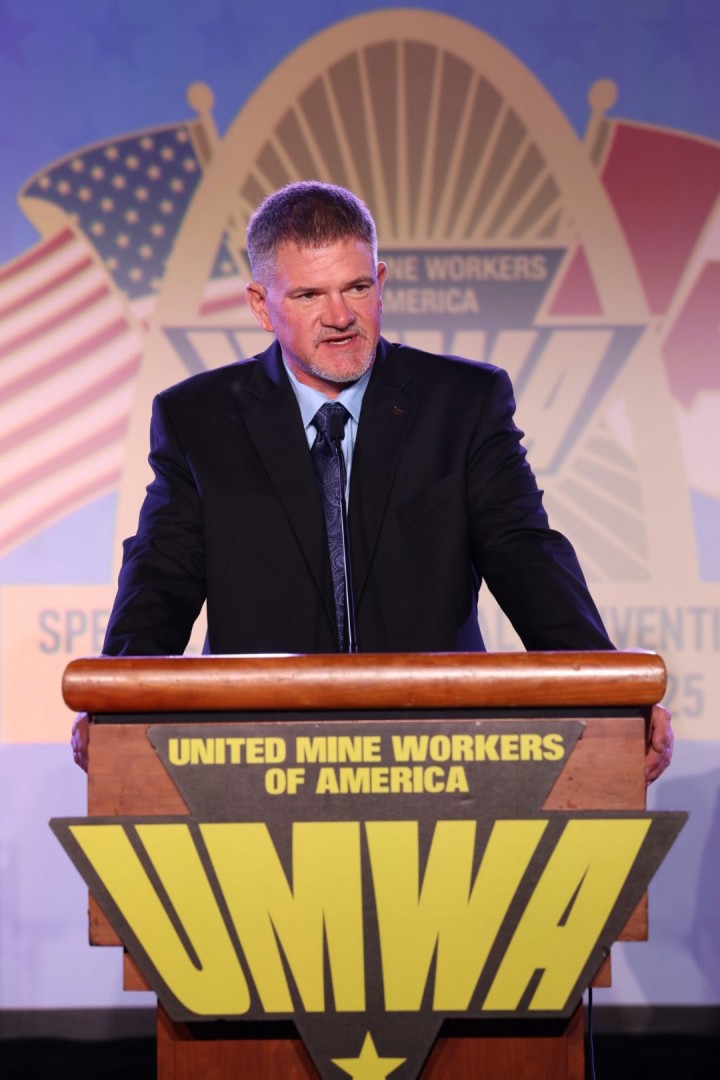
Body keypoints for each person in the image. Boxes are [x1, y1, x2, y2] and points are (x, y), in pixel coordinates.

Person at [71, 181, 673, 779]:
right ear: (261, 305)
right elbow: (160, 579)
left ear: (380, 282)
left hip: (438, 757)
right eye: (309, 295)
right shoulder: (198, 420)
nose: (340, 317)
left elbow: (527, 557)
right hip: (255, 759)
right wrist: (115, 703)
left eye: (356, 287)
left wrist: (610, 693)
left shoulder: (462, 403)